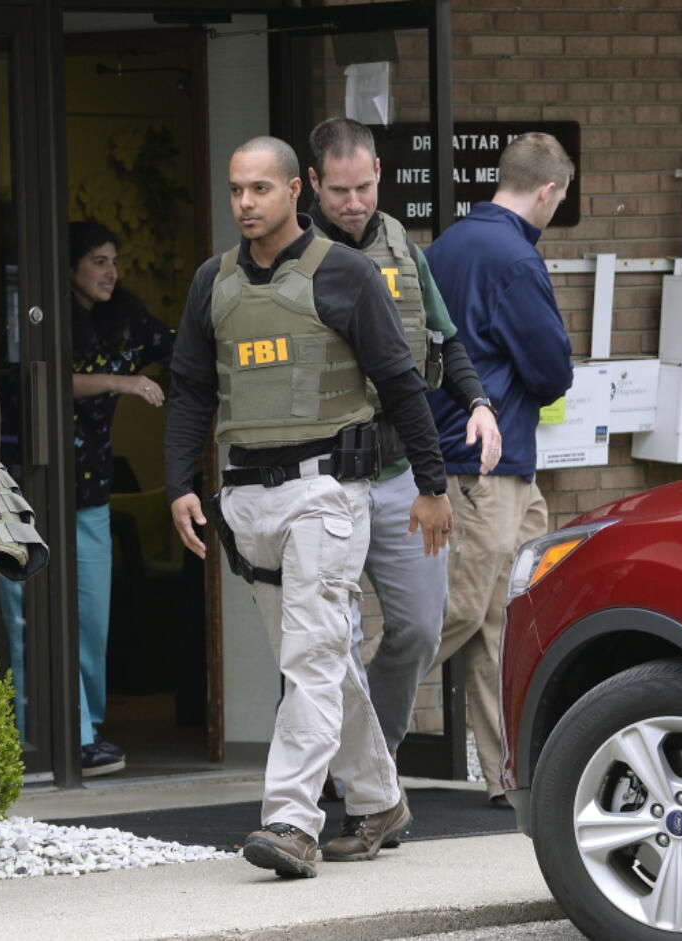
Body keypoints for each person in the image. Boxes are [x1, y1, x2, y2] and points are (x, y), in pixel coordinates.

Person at [166, 136, 452, 879]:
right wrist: (179, 485)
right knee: (323, 658)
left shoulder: (348, 275)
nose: (245, 203)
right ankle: (380, 797)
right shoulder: (213, 282)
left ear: (297, 190)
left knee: (311, 657)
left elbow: (400, 380)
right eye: (235, 190)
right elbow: (193, 387)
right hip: (247, 497)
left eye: (260, 188)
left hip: (327, 492)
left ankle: (292, 819)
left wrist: (432, 484)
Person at [305, 118, 501, 777]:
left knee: (420, 626)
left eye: (362, 187)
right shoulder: (289, 259)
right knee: (327, 643)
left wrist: (478, 404)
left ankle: (371, 753)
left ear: (380, 176)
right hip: (322, 478)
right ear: (312, 185)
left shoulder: (402, 251)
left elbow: (445, 340)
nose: (353, 203)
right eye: (338, 191)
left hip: (398, 473)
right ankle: (359, 778)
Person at [423, 132, 575, 808]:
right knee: (458, 613)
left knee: (497, 620)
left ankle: (505, 772)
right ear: (547, 190)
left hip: (468, 459)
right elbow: (551, 370)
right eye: (560, 197)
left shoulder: (445, 245)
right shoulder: (516, 258)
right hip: (488, 465)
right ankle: (343, 719)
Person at [69, 220, 175, 776]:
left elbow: (179, 350)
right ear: (70, 266)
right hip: (31, 486)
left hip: (91, 488)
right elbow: (44, 378)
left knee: (91, 618)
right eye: (98, 261)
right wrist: (122, 383)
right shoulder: (40, 313)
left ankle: (87, 726)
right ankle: (61, 734)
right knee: (32, 622)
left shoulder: (126, 320)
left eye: (113, 260)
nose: (111, 272)